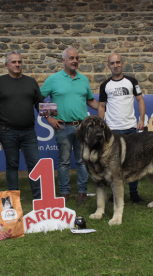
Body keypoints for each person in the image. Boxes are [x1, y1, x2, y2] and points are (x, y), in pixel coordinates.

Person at [40, 47, 99, 203]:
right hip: (62, 127)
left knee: (82, 161)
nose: (75, 61)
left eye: (77, 58)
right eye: (71, 58)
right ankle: (64, 193)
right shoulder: (53, 79)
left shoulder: (83, 79)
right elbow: (38, 99)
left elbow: (90, 100)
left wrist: (103, 106)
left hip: (82, 127)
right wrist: (49, 119)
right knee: (64, 161)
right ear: (63, 60)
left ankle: (82, 192)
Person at [0, 51, 42, 199]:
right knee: (12, 165)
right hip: (7, 131)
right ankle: (13, 198)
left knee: (35, 164)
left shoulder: (31, 82)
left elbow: (39, 104)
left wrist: (51, 116)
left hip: (29, 131)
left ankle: (38, 197)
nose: (17, 64)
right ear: (7, 65)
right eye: (13, 62)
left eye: (19, 62)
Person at [98, 53, 146, 204]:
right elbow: (101, 106)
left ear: (122, 63)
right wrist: (101, 126)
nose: (115, 65)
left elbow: (140, 100)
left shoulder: (132, 81)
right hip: (112, 131)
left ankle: (133, 193)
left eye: (118, 62)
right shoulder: (105, 85)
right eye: (112, 63)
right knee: (112, 165)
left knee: (133, 163)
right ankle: (115, 193)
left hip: (130, 128)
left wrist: (142, 119)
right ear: (109, 66)